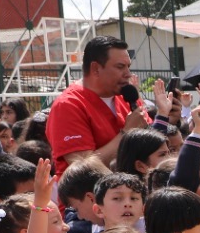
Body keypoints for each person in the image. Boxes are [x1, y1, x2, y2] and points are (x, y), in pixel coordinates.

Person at [45, 36, 149, 176]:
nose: (128, 74)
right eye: (120, 67)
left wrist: (168, 118)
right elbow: (84, 168)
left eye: (128, 66)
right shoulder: (68, 105)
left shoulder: (127, 96)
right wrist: (127, 134)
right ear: (95, 68)